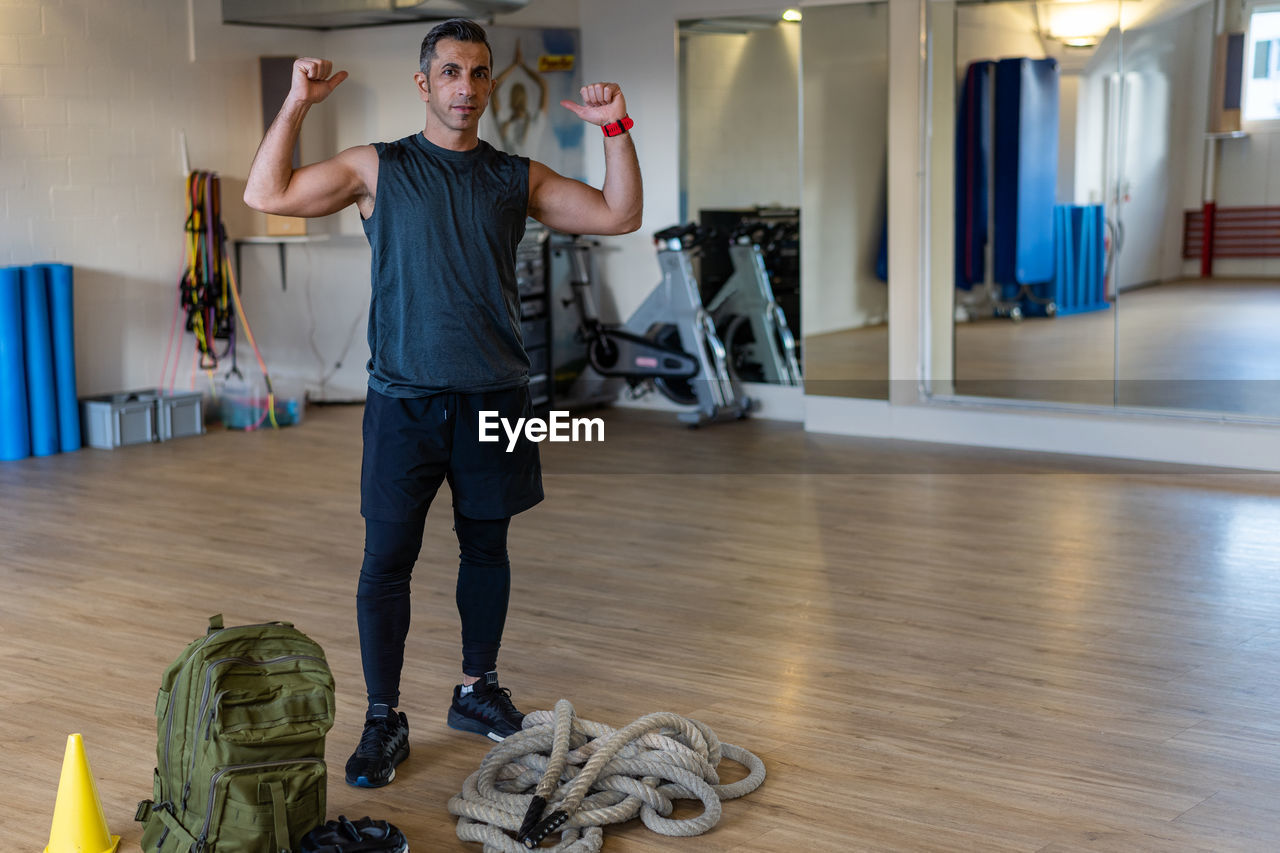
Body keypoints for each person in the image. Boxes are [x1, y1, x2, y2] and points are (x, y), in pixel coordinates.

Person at [243, 18, 642, 788]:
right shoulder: (379, 168)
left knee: (486, 549)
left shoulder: (512, 177)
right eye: (452, 72)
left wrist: (616, 129)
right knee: (386, 561)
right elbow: (268, 192)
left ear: (490, 85)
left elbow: (617, 214)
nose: (467, 87)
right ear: (425, 84)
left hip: (495, 395)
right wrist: (296, 104)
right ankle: (383, 715)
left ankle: (475, 689)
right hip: (405, 403)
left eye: (479, 73)